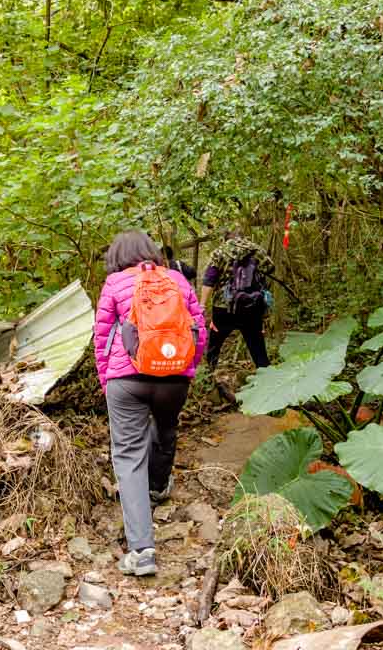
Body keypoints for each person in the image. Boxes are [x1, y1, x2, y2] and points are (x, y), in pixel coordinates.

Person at [94, 230, 207, 576]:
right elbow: (199, 330)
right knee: (166, 428)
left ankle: (142, 551)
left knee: (129, 456)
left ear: (116, 257)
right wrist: (187, 369)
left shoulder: (114, 284)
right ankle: (157, 487)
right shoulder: (176, 280)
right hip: (174, 377)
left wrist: (107, 380)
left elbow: (102, 338)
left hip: (126, 379)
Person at [200, 231, 274, 373]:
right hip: (252, 306)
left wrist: (202, 304)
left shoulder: (220, 252)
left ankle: (209, 374)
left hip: (224, 307)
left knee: (215, 344)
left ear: (225, 239)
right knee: (258, 347)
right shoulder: (256, 250)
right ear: (243, 237)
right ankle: (267, 377)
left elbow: (209, 280)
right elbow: (270, 268)